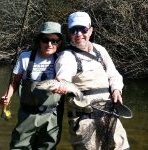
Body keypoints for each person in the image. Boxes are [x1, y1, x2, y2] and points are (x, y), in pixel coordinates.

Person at [54, 11, 130, 150]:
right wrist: (61, 83)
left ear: (90, 30)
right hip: (84, 121)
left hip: (110, 115)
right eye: (73, 30)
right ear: (69, 33)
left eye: (83, 29)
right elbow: (63, 75)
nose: (78, 34)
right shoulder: (66, 57)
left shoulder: (100, 50)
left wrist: (116, 89)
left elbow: (114, 74)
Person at [0, 21, 65, 150]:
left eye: (54, 41)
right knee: (19, 146)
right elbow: (15, 81)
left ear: (60, 42)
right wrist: (7, 96)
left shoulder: (63, 59)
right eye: (45, 40)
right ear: (39, 40)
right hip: (27, 114)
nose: (49, 44)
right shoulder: (25, 57)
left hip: (52, 115)